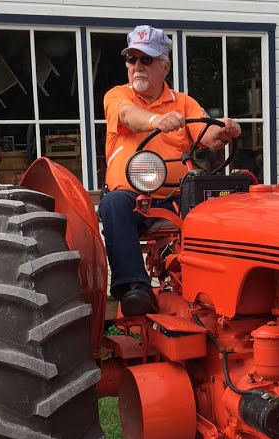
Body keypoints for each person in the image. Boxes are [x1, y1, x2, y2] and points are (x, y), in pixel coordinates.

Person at [100, 25, 241, 316]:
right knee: (113, 204)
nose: (137, 66)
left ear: (164, 66)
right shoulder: (117, 96)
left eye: (146, 60)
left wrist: (225, 131)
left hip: (176, 198)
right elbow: (128, 116)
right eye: (132, 59)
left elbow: (206, 134)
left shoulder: (183, 102)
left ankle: (220, 289)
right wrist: (154, 120)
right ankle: (135, 289)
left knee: (227, 201)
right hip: (133, 201)